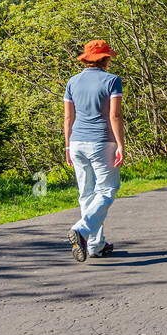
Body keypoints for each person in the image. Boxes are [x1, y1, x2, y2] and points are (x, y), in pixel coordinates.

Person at [63, 40, 125, 263]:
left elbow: (68, 117)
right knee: (107, 189)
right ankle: (81, 230)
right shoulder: (112, 81)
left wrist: (68, 146)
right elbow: (114, 116)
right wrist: (121, 144)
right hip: (101, 142)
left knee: (87, 193)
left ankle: (95, 245)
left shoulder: (73, 81)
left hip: (77, 141)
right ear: (104, 59)